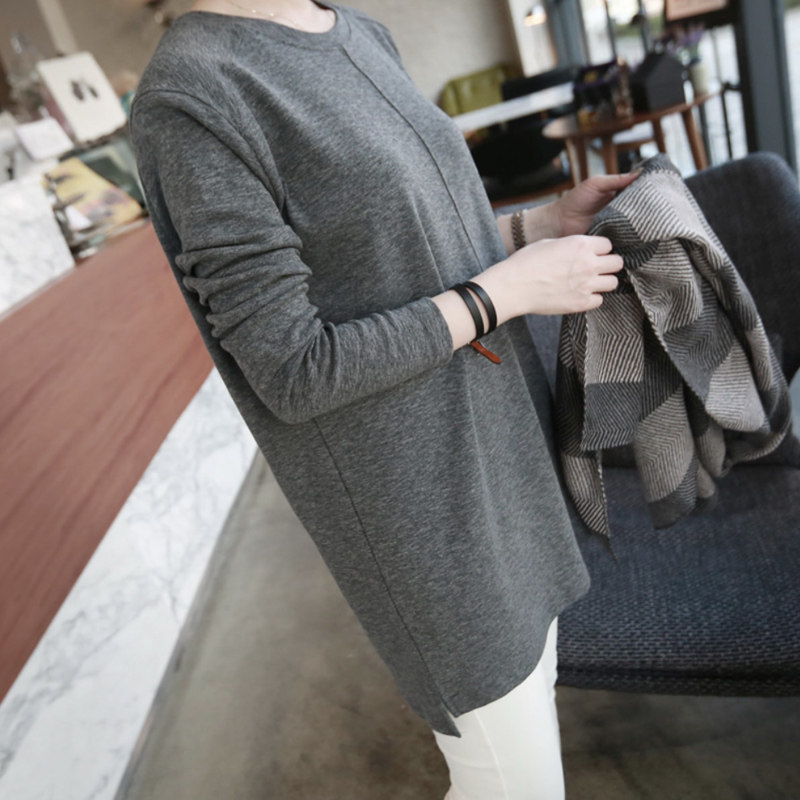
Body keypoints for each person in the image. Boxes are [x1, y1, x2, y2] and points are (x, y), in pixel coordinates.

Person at [130, 2, 635, 797]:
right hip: (422, 508)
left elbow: (402, 244)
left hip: (503, 450)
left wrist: (536, 227)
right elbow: (293, 369)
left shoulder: (359, 33)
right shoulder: (192, 95)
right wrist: (504, 293)